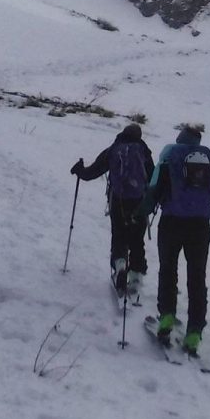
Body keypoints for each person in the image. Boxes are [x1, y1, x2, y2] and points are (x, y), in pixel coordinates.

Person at [143, 122, 210, 357]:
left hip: (171, 223)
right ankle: (193, 333)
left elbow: (153, 189)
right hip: (200, 227)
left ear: (179, 138)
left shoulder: (169, 156)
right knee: (197, 278)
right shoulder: (204, 161)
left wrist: (140, 212)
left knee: (168, 271)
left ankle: (167, 317)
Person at [70, 122, 153, 298]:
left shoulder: (113, 149)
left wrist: (79, 170)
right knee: (137, 239)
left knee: (120, 236)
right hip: (140, 202)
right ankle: (137, 277)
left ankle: (120, 267)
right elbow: (153, 177)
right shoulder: (144, 151)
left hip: (118, 201)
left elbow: (92, 172)